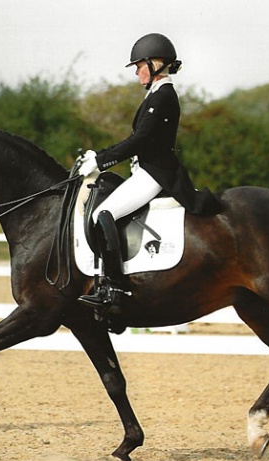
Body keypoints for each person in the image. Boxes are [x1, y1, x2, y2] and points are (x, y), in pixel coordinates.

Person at [77, 33, 221, 311]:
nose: (137, 73)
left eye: (139, 66)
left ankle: (115, 288)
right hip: (145, 171)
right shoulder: (157, 94)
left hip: (154, 174)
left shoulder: (164, 95)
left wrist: (100, 159)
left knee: (102, 215)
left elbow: (140, 140)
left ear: (156, 64)